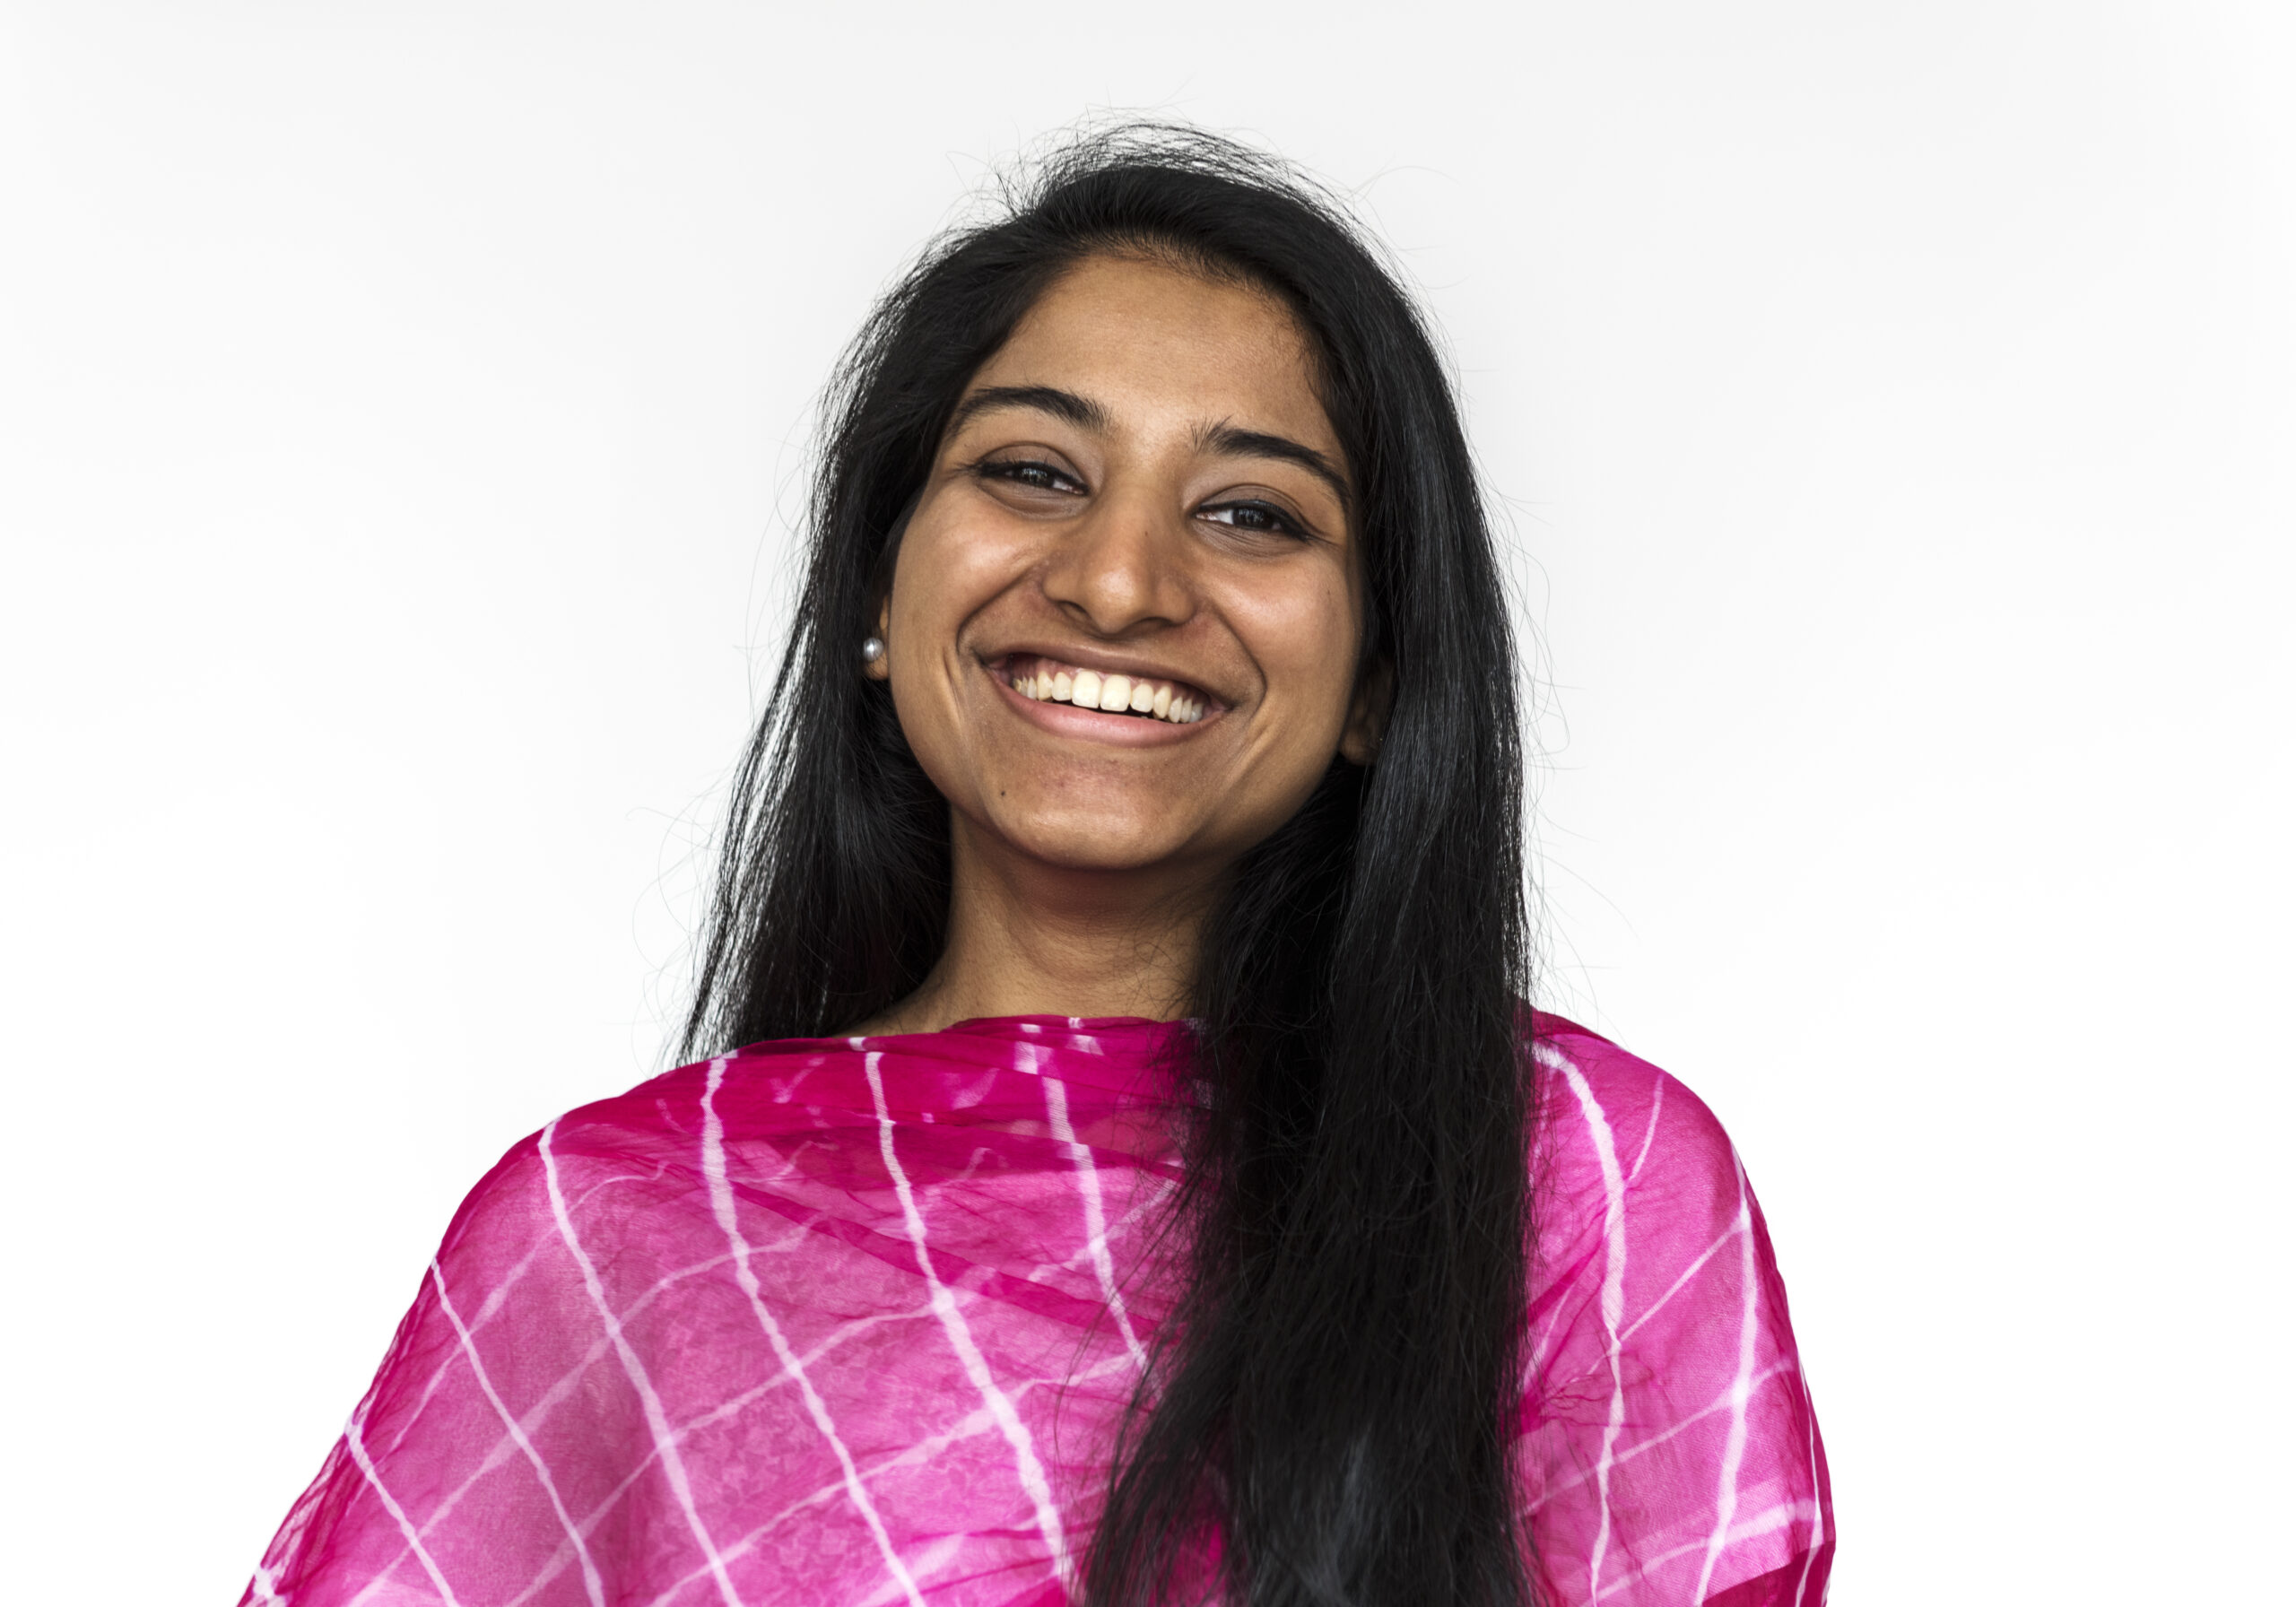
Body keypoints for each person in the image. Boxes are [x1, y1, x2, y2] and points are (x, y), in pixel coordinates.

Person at [242, 127, 1832, 1607]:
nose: (1124, 581)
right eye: (1034, 474)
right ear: (881, 587)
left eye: (1251, 513)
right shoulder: (621, 1240)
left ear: (1377, 685)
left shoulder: (1566, 1181)